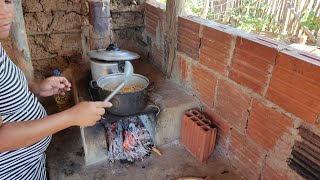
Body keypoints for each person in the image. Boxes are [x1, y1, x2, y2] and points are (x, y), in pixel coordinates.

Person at [0, 0, 112, 179]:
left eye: (7, 1)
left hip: (31, 166)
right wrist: (71, 116)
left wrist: (36, 88)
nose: (5, 11)